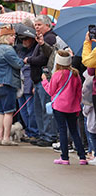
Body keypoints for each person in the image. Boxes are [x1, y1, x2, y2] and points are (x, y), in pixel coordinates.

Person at [42, 50, 87, 165]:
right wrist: (77, 105)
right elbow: (78, 92)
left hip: (59, 107)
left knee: (62, 131)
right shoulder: (75, 74)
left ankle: (65, 157)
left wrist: (44, 82)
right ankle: (82, 157)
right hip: (73, 107)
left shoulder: (57, 74)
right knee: (74, 131)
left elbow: (51, 91)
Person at [26, 15, 61, 148]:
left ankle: (49, 135)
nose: (37, 27)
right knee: (39, 109)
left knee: (46, 109)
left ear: (47, 25)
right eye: (35, 25)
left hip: (45, 80)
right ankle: (42, 134)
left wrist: (29, 60)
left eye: (39, 25)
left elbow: (44, 59)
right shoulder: (41, 39)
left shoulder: (50, 38)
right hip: (38, 80)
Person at [0, 25, 24, 146]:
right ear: (5, 37)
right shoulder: (8, 50)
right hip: (7, 83)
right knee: (9, 112)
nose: (14, 37)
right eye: (11, 35)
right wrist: (22, 60)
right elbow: (18, 64)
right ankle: (6, 138)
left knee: (0, 112)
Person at [15, 25, 39, 142]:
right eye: (22, 39)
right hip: (20, 84)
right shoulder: (19, 50)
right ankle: (29, 131)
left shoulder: (35, 50)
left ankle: (34, 132)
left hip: (30, 84)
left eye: (26, 39)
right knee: (23, 110)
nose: (24, 41)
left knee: (31, 110)